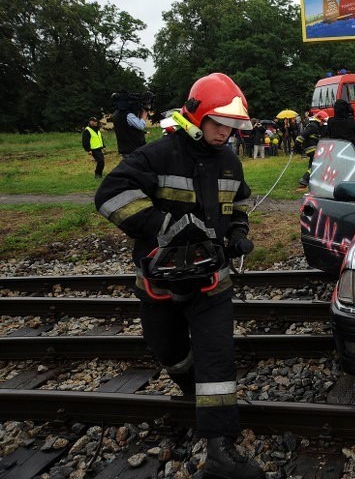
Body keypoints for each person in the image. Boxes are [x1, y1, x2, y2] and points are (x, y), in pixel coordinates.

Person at [94, 73, 263, 479]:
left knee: (217, 361)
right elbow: (110, 195)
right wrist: (161, 225)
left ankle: (220, 452)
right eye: (219, 123)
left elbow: (240, 204)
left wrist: (238, 234)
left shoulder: (230, 160)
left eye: (232, 126)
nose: (226, 133)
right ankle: (194, 396)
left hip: (212, 283)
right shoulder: (158, 154)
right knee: (168, 351)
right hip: (160, 282)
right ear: (197, 116)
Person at [295, 110, 328, 187]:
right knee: (317, 163)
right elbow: (302, 136)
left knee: (312, 162)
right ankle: (305, 179)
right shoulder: (313, 126)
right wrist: (297, 145)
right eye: (323, 121)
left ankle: (312, 178)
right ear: (319, 119)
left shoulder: (317, 126)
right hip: (310, 147)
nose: (323, 123)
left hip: (313, 146)